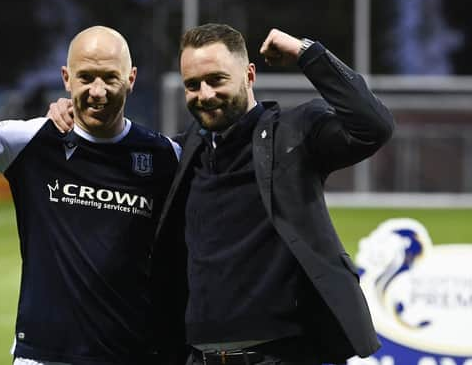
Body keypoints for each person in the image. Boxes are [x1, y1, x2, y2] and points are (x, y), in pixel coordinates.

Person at [49, 24, 394, 365]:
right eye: (192, 85)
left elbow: (372, 127)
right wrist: (70, 118)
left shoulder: (294, 134)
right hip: (199, 357)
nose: (205, 94)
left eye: (217, 80)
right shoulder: (180, 154)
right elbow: (109, 157)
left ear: (249, 75)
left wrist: (307, 53)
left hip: (283, 356)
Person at [0, 3, 182, 365]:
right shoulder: (32, 142)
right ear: (66, 78)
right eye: (86, 77)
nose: (97, 91)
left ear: (131, 78)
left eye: (110, 77)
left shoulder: (165, 156)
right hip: (44, 358)